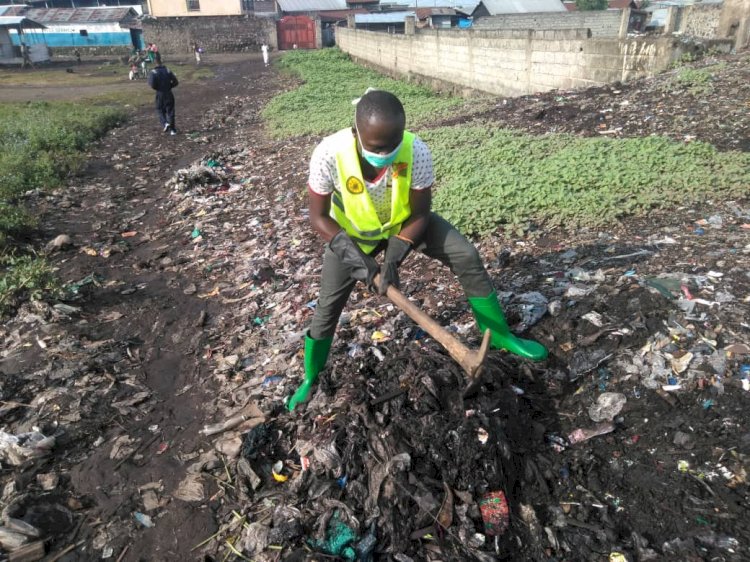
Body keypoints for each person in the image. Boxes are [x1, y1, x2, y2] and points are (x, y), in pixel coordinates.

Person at [287, 89, 548, 411]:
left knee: (465, 254)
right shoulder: (329, 153)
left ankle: (500, 335)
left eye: (391, 146)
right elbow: (318, 216)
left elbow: (421, 213)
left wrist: (396, 254)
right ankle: (312, 376)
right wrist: (359, 261)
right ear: (355, 132)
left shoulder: (416, 151)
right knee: (327, 306)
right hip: (351, 236)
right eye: (375, 147)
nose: (384, 153)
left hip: (405, 225)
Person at [147, 53, 179, 135]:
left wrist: (159, 88)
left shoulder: (153, 72)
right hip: (169, 92)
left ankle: (165, 123)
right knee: (170, 111)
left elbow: (152, 85)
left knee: (160, 109)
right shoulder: (168, 70)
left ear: (154, 62)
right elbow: (175, 82)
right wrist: (169, 86)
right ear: (161, 60)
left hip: (160, 93)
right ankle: (173, 130)